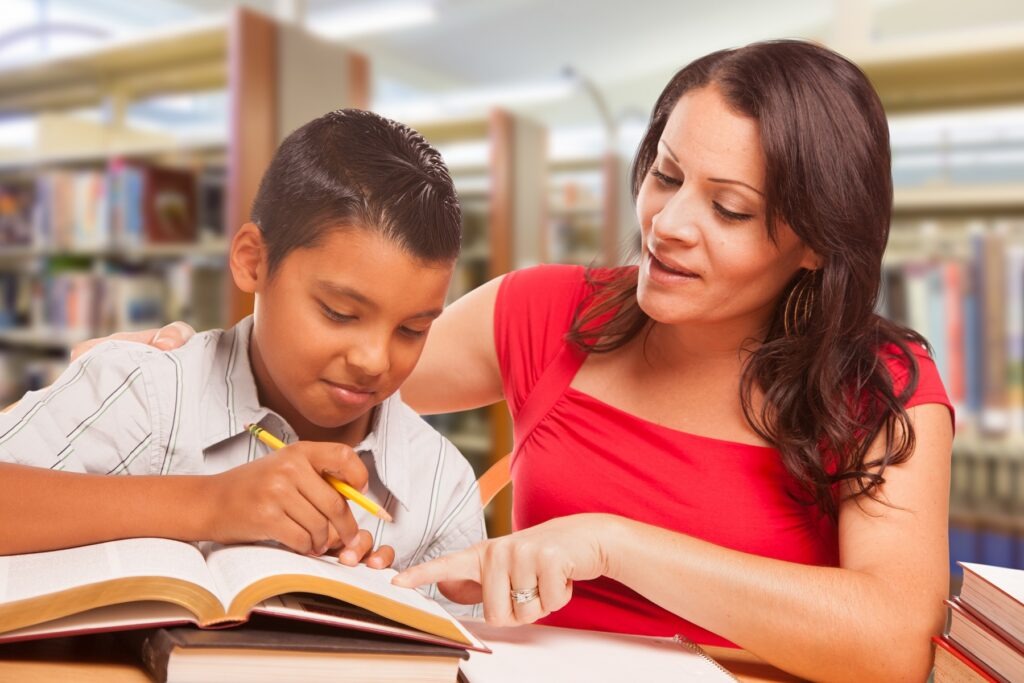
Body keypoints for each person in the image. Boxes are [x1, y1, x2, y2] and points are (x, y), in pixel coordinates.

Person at [86, 41, 953, 681]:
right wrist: (180, 357)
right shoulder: (551, 311)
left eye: (728, 208)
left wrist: (611, 545)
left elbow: (891, 640)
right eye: (664, 173)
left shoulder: (880, 384)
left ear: (814, 241)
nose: (668, 223)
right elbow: (333, 370)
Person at [0, 110, 485, 613]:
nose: (373, 360)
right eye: (339, 313)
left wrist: (373, 613)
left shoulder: (439, 486)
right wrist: (208, 504)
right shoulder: (144, 390)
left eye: (413, 329)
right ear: (253, 260)